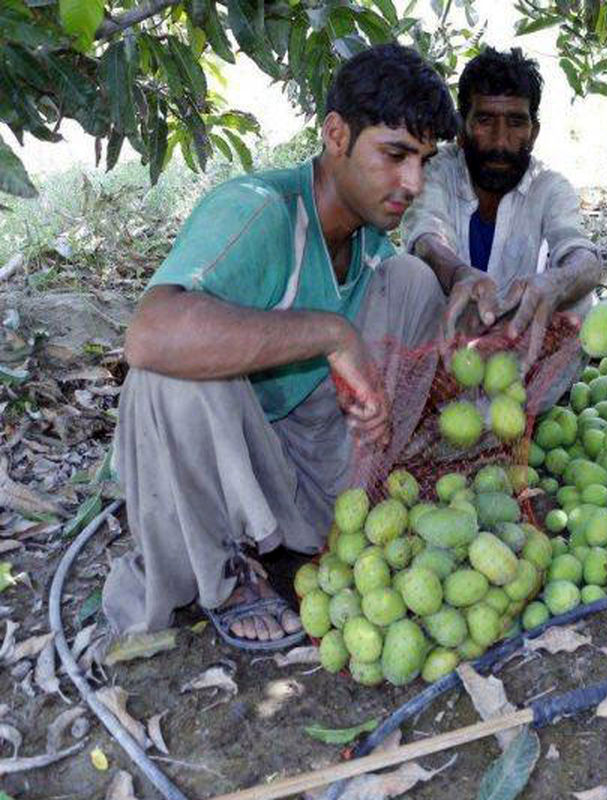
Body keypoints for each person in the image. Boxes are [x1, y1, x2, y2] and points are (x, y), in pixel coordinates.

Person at [101, 44, 459, 649]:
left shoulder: (370, 240)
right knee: (166, 374)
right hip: (234, 469)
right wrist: (329, 333)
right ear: (337, 134)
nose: (412, 183)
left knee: (413, 282)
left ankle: (372, 490)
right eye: (395, 155)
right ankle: (226, 568)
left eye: (424, 161)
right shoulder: (260, 213)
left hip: (316, 471)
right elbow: (149, 334)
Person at [401, 46, 603, 369]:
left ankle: (524, 405)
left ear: (533, 133)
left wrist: (557, 282)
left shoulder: (549, 187)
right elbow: (426, 234)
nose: (500, 141)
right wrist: (459, 275)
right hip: (443, 349)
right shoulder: (436, 170)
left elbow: (585, 259)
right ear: (462, 130)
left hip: (515, 357)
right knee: (408, 274)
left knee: (579, 298)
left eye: (515, 123)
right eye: (484, 120)